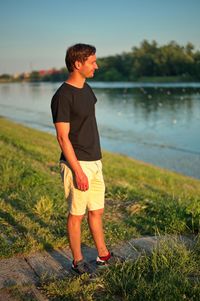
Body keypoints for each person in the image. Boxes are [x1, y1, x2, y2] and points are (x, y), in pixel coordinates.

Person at [51, 43, 113, 275]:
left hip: (95, 161)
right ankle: (77, 261)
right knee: (76, 214)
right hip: (76, 163)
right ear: (78, 64)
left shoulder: (87, 89)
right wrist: (77, 170)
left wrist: (95, 162)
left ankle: (103, 254)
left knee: (96, 211)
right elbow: (62, 137)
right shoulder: (62, 96)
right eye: (92, 62)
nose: (96, 65)